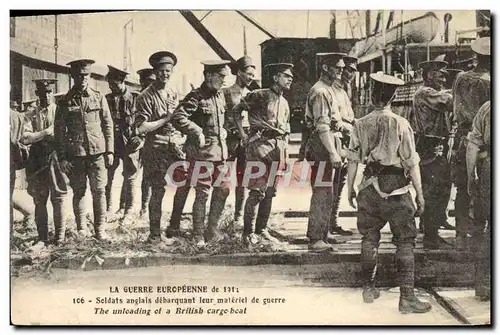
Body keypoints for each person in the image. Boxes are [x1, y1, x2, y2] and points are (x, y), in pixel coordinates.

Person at [346, 72, 431, 314]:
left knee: (369, 238)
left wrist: (351, 187)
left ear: (372, 94)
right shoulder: (401, 124)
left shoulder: (360, 124)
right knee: (405, 242)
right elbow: (411, 162)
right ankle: (407, 298)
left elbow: (352, 159)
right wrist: (420, 194)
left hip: (369, 186)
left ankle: (368, 288)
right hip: (397, 188)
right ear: (393, 96)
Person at [172, 60, 233, 247]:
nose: (224, 80)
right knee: (202, 194)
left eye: (225, 76)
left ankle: (212, 229)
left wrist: (226, 130)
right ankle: (198, 234)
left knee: (223, 189)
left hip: (220, 153)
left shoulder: (221, 96)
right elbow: (178, 117)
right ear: (208, 76)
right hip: (201, 155)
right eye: (221, 76)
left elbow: (226, 119)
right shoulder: (196, 97)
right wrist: (196, 131)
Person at [233, 63, 293, 247]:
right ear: (275, 77)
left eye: (291, 76)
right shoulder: (260, 95)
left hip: (278, 149)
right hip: (260, 147)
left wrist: (286, 152)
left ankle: (262, 230)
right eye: (286, 75)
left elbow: (286, 128)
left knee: (270, 192)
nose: (290, 79)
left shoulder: (284, 101)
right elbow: (237, 110)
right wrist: (243, 134)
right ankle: (248, 233)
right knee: (257, 192)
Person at [54, 59, 114, 242]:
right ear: (73, 76)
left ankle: (100, 230)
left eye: (86, 75)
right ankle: (81, 228)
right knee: (79, 191)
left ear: (89, 76)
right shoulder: (64, 101)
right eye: (79, 76)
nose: (83, 79)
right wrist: (62, 157)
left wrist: (109, 151)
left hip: (97, 153)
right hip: (76, 155)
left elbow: (108, 124)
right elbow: (59, 132)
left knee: (99, 191)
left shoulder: (98, 97)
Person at [135, 51, 189, 243]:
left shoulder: (173, 93)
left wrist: (182, 136)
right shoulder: (145, 96)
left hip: (174, 147)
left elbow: (180, 120)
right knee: (157, 190)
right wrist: (165, 119)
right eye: (161, 71)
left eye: (168, 71)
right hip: (156, 149)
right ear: (155, 71)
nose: (165, 74)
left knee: (184, 183)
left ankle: (173, 226)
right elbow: (141, 127)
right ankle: (155, 235)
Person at [451, 37, 490, 250]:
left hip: (461, 138)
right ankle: (480, 232)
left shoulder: (460, 78)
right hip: (482, 139)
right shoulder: (490, 81)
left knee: (463, 186)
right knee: (484, 187)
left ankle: (460, 232)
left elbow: (454, 108)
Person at [303, 53, 345, 251]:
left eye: (342, 67)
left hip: (328, 144)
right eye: (337, 67)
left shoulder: (328, 90)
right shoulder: (320, 91)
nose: (341, 70)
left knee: (329, 191)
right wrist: (333, 153)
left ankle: (324, 233)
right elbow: (322, 126)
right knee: (322, 191)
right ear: (326, 68)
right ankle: (315, 238)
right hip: (322, 147)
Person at [411, 60, 454, 249]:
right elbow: (449, 101)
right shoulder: (425, 93)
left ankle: (430, 226)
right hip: (429, 145)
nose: (444, 79)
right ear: (429, 75)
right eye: (440, 75)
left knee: (438, 187)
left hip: (436, 144)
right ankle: (430, 235)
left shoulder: (433, 93)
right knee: (434, 189)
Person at [21, 79, 68, 245]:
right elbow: (26, 138)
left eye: (49, 92)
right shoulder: (30, 114)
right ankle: (42, 237)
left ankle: (60, 237)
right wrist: (46, 132)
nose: (46, 96)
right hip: (36, 159)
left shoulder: (59, 111)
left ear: (52, 93)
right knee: (40, 199)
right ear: (37, 94)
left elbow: (63, 134)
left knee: (58, 197)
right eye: (43, 93)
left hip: (55, 157)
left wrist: (37, 135)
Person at [104, 66, 141, 223]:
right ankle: (107, 209)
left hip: (129, 142)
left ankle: (128, 210)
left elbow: (143, 120)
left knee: (130, 176)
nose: (112, 87)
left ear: (122, 81)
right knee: (107, 176)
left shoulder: (135, 98)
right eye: (110, 85)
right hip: (112, 143)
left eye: (114, 84)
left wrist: (141, 137)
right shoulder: (106, 99)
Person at [223, 56, 256, 227]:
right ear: (240, 73)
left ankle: (238, 216)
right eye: (248, 74)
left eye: (252, 75)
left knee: (244, 179)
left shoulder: (252, 93)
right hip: (230, 140)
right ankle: (219, 216)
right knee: (223, 179)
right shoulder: (226, 92)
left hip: (247, 140)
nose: (251, 78)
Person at [327, 54, 358, 238]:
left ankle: (333, 222)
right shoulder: (331, 90)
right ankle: (326, 225)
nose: (350, 74)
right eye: (347, 70)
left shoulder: (344, 91)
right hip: (335, 141)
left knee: (340, 184)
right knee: (330, 185)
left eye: (353, 71)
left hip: (345, 142)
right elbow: (333, 120)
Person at [466, 100, 491, 301]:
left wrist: (470, 176)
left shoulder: (487, 107)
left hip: (490, 169)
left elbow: (472, 145)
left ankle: (483, 285)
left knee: (489, 228)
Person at [136, 68, 156, 219]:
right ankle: (143, 208)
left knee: (153, 178)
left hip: (153, 141)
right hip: (139, 141)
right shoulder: (138, 99)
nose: (147, 85)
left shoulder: (157, 97)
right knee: (143, 177)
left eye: (150, 82)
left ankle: (149, 208)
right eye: (145, 82)